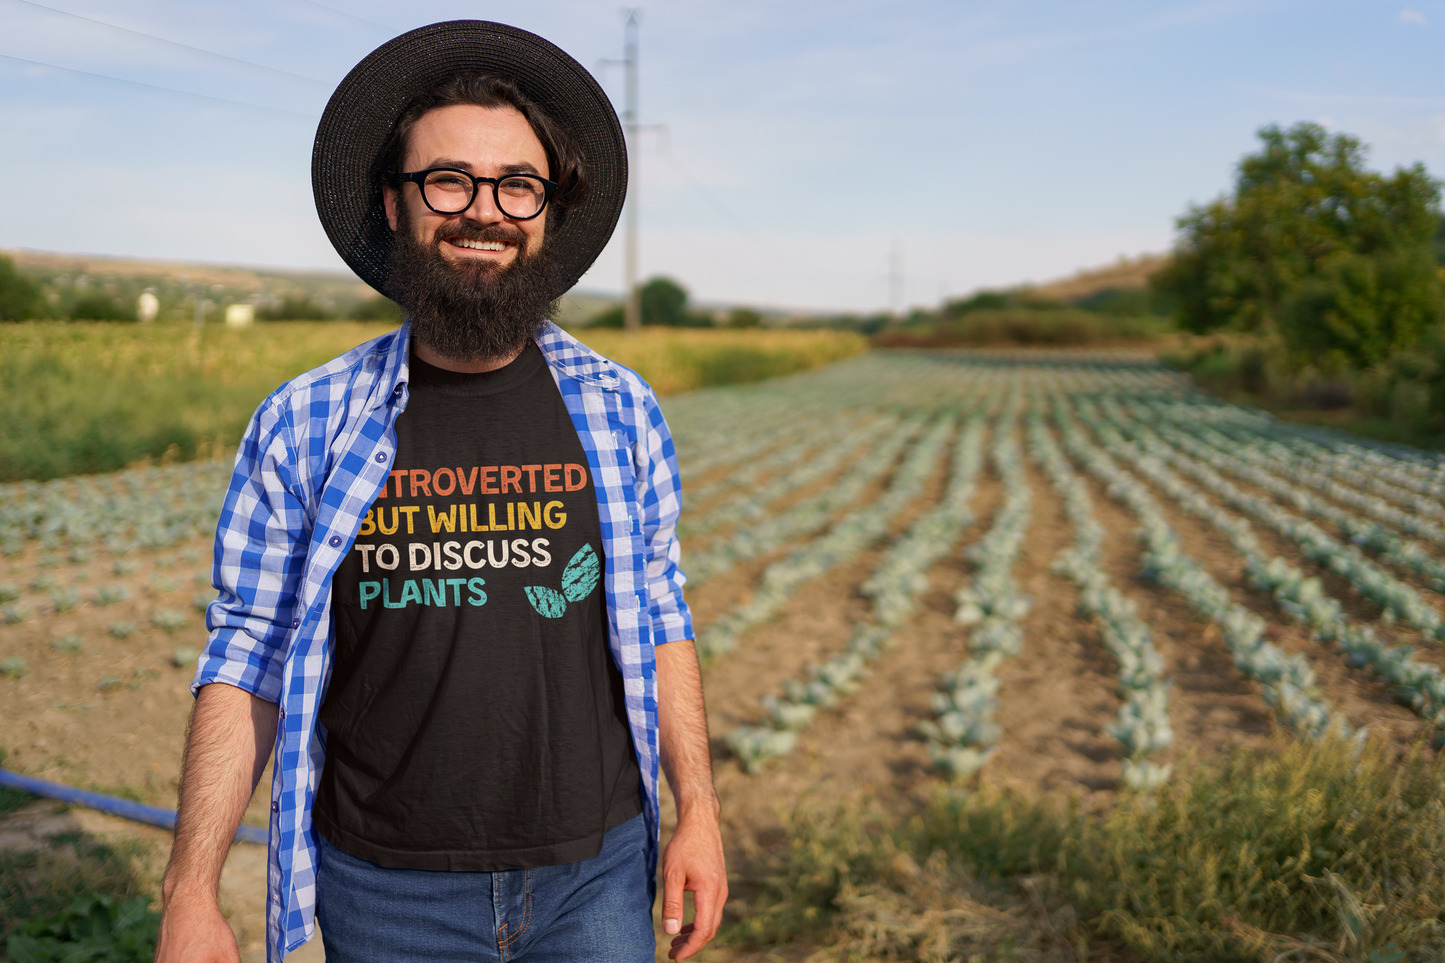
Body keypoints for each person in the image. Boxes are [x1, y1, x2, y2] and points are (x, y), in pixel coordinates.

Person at [154, 21, 726, 963]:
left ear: (546, 211)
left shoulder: (621, 410)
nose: (484, 211)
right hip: (386, 892)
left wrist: (697, 813)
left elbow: (659, 613)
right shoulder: (307, 421)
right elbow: (248, 648)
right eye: (447, 180)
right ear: (394, 203)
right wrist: (191, 890)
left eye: (516, 185)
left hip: (597, 876)